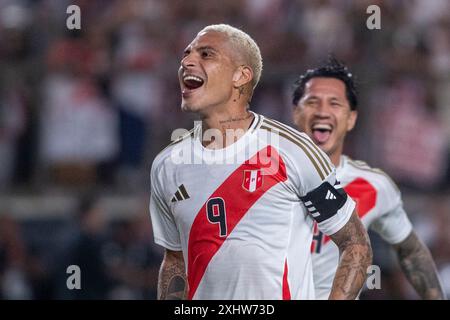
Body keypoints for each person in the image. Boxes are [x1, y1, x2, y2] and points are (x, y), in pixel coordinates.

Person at [149, 24, 372, 300]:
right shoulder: (167, 165)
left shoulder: (294, 150)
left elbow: (355, 244)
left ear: (241, 76)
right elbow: (174, 261)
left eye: (206, 54)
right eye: (186, 54)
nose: (187, 62)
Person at [292, 57, 446, 300]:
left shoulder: (374, 186)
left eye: (335, 103)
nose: (323, 112)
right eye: (312, 102)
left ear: (351, 118)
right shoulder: (260, 176)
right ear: (296, 113)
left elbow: (411, 251)